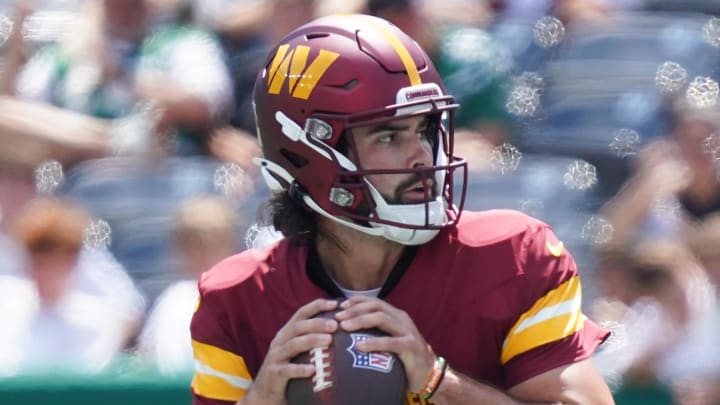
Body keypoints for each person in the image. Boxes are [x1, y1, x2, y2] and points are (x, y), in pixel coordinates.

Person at [190, 14, 614, 405]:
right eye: (389, 136)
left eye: (425, 128)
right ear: (308, 154)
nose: (422, 155)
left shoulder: (512, 257)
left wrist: (439, 383)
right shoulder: (237, 299)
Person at [138, 195, 240, 374]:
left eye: (214, 242)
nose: (203, 252)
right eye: (192, 243)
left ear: (230, 243)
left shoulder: (245, 298)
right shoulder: (173, 299)